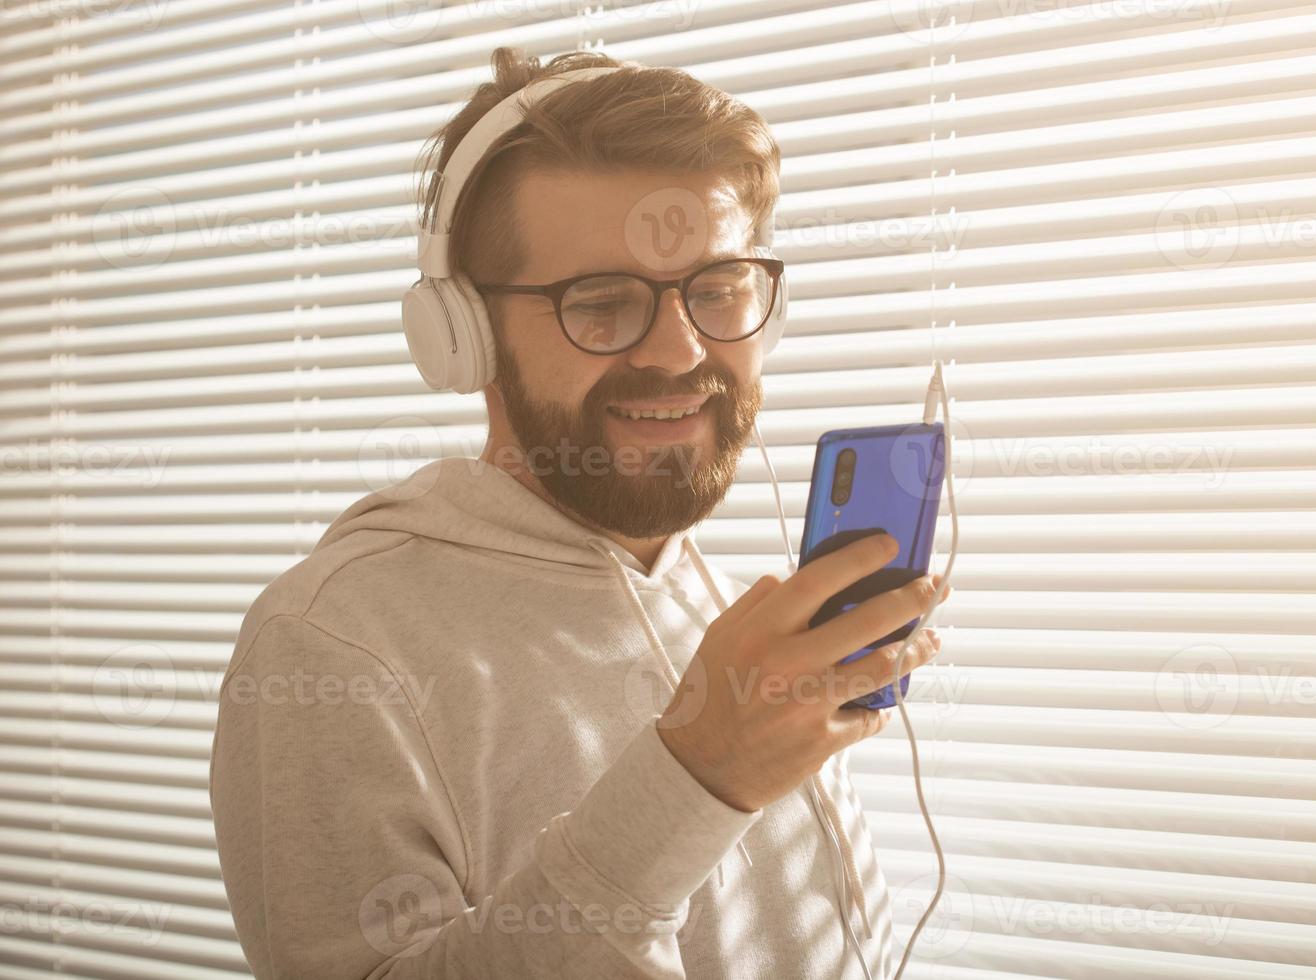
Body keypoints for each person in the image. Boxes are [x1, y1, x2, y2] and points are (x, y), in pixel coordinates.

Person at [209, 46, 948, 979]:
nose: (682, 352)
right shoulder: (331, 644)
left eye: (718, 291)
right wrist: (699, 779)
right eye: (601, 304)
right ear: (462, 335)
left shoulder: (722, 602)